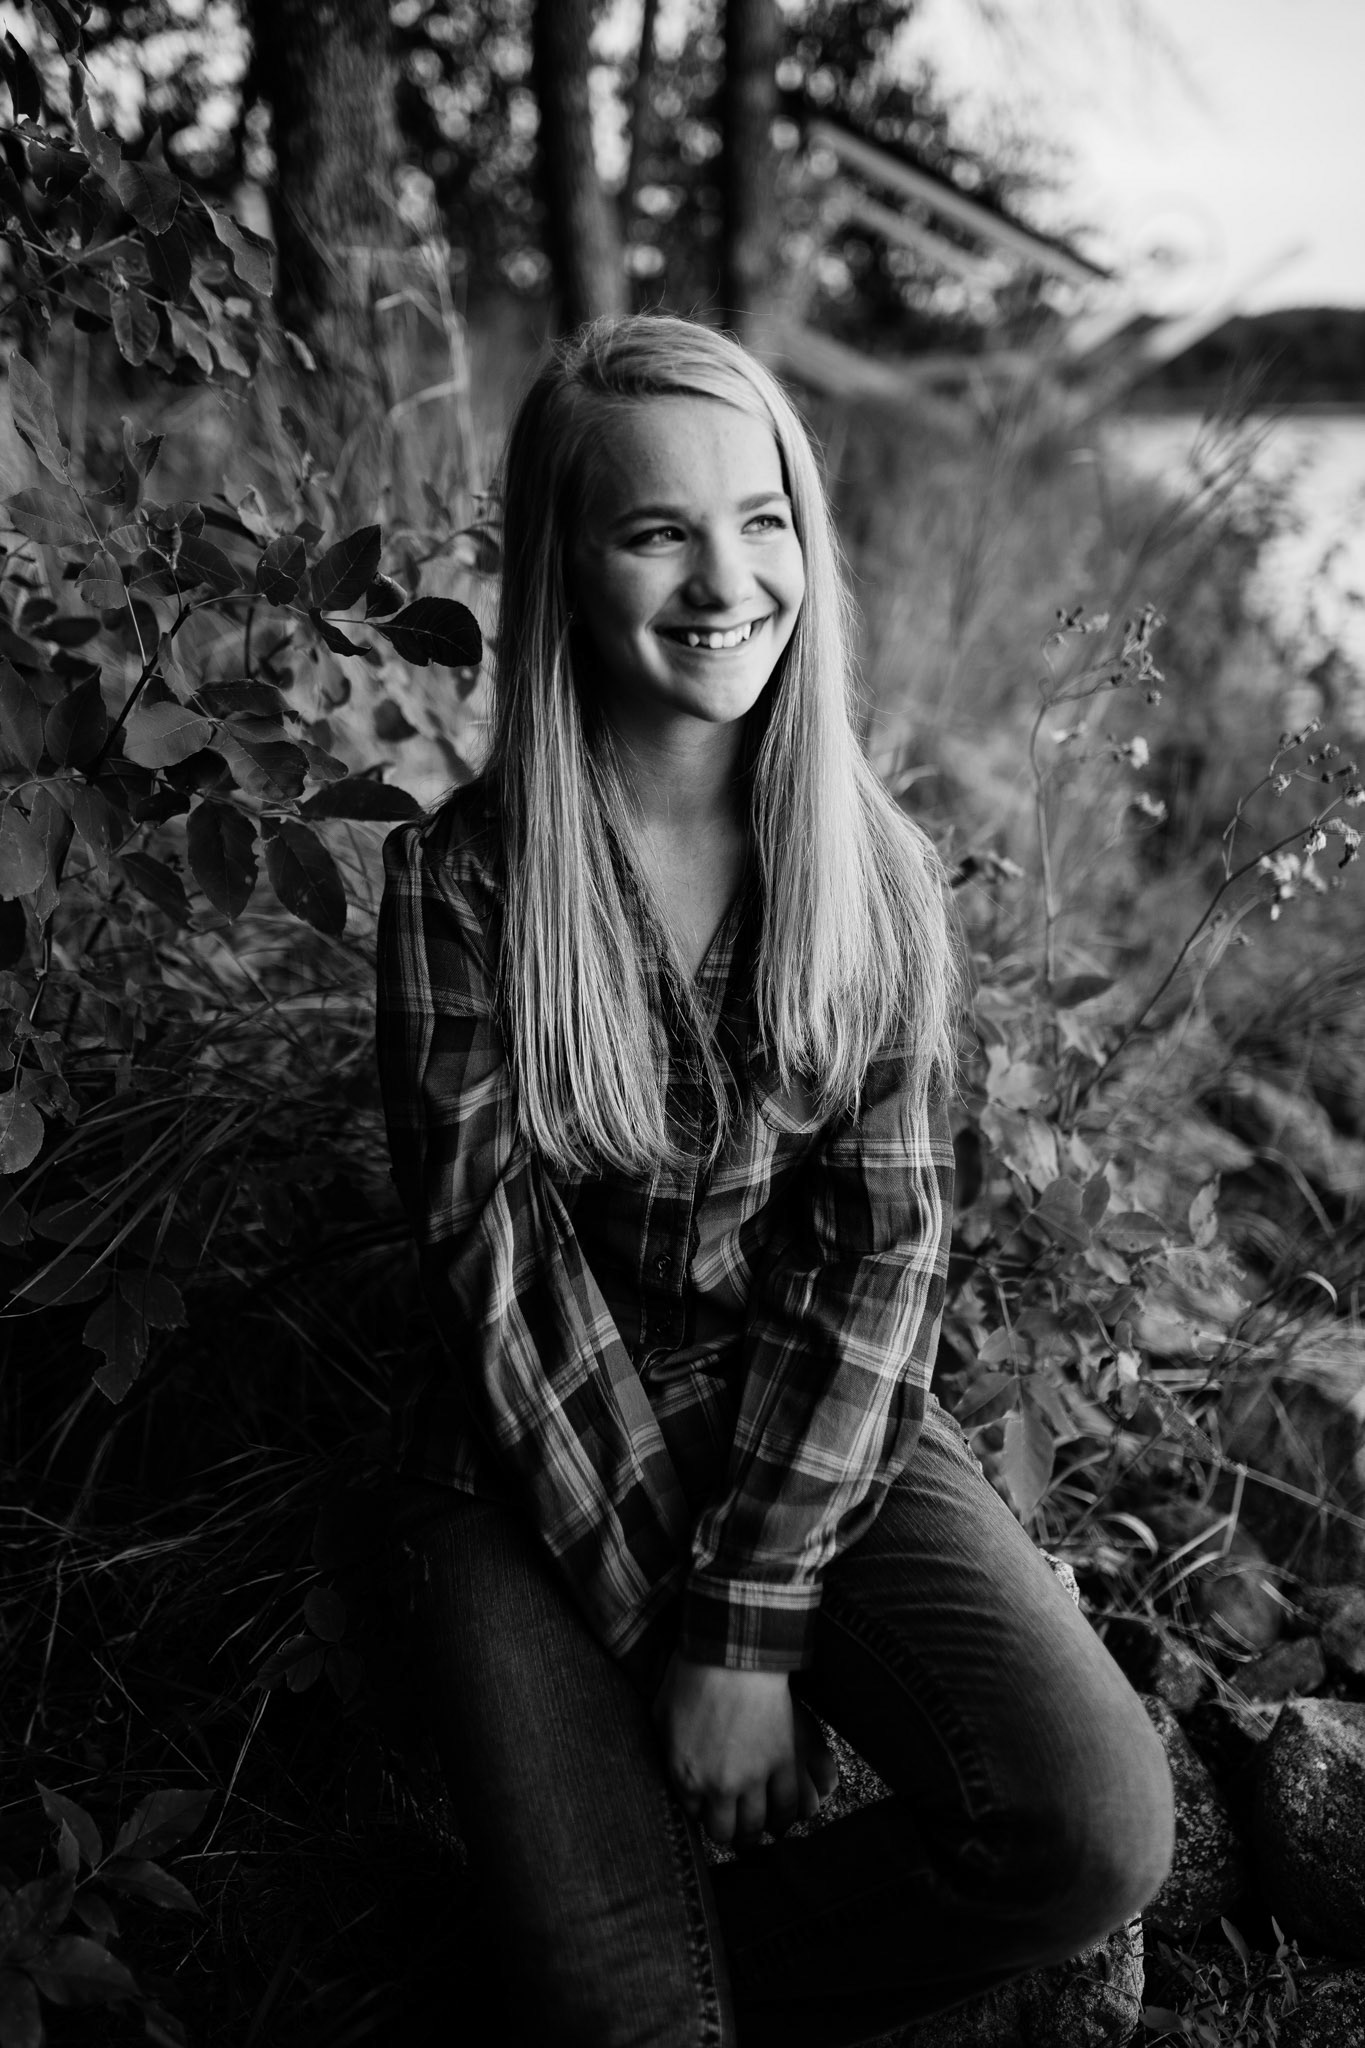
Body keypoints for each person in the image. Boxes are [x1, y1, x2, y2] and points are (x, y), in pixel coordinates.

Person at [375, 313, 1173, 2048]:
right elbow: (499, 1280)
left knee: (1095, 1830)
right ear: (564, 568)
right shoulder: (464, 885)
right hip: (523, 1446)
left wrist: (751, 1618)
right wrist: (705, 1638)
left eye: (761, 519)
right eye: (656, 531)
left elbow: (878, 1256)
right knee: (624, 2016)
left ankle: (597, 1973)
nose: (724, 580)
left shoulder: (870, 871)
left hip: (798, 1396)